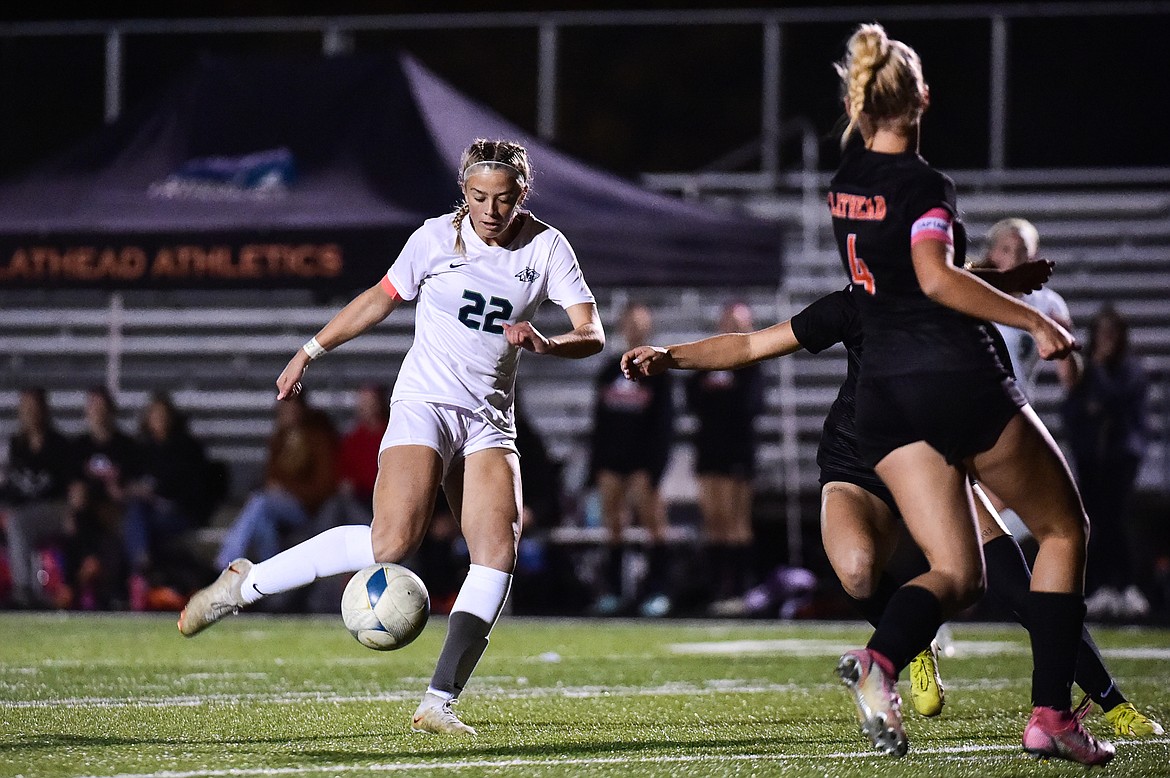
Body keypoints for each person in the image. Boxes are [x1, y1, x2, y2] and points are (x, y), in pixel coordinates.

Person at [178, 138, 604, 737]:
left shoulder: (548, 246)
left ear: (522, 196)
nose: (489, 210)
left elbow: (592, 331)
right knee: (392, 542)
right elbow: (379, 300)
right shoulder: (433, 238)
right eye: (478, 196)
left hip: (490, 418)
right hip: (424, 402)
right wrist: (309, 351)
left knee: (497, 552)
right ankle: (243, 584)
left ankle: (438, 702)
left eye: (502, 200)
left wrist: (549, 343)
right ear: (464, 191)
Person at [622, 285, 1163, 742]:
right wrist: (671, 356)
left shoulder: (954, 300)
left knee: (1019, 590)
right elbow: (754, 343)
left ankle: (1110, 700)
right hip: (859, 461)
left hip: (936, 463)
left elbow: (987, 394)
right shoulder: (857, 304)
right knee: (856, 570)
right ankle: (914, 641)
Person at [819, 23, 1108, 763]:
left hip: (880, 392)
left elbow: (902, 265)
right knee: (1063, 529)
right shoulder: (926, 183)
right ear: (921, 96)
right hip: (952, 375)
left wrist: (994, 277)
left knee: (957, 574)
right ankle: (1052, 716)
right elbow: (936, 276)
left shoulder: (845, 179)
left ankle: (880, 663)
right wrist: (1032, 319)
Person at [1062, 305, 1152, 620]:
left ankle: (1126, 585)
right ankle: (1102, 586)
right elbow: (1073, 411)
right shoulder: (1087, 372)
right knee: (1096, 523)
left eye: (1111, 334)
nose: (1106, 340)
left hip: (1120, 457)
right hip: (1092, 458)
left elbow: (1113, 400)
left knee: (1116, 519)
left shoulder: (1130, 369)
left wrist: (1097, 372)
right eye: (1101, 333)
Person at [587, 300, 675, 617]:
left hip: (643, 461)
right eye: (631, 324)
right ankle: (613, 591)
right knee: (613, 525)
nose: (636, 329)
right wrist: (594, 466)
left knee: (653, 525)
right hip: (612, 459)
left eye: (641, 324)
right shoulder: (609, 370)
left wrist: (656, 467)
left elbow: (665, 424)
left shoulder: (659, 373)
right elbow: (598, 422)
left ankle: (657, 590)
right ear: (623, 327)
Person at [685, 300, 765, 609]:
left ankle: (741, 589)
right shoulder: (708, 363)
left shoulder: (752, 365)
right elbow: (693, 398)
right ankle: (718, 588)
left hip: (738, 450)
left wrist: (718, 402)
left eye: (738, 322)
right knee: (713, 520)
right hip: (709, 448)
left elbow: (749, 406)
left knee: (736, 522)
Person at [213, 390, 341, 574]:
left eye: (291, 407)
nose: (286, 412)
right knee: (265, 524)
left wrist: (286, 490)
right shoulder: (280, 438)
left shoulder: (318, 438)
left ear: (301, 408)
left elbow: (324, 487)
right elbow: (271, 477)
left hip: (308, 509)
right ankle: (270, 578)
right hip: (278, 506)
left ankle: (224, 564)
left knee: (260, 502)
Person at [123, 391, 218, 609]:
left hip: (180, 514)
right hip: (150, 517)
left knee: (137, 519)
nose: (160, 420)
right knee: (136, 512)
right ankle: (144, 570)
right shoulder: (141, 449)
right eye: (155, 415)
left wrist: (159, 492)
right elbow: (128, 483)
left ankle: (141, 572)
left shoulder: (187, 449)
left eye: (163, 415)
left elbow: (193, 490)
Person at [969, 218, 1079, 394]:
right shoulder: (973, 295)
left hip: (1018, 402)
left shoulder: (1048, 303)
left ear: (1034, 254)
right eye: (1005, 249)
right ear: (991, 253)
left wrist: (1065, 345)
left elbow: (1070, 380)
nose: (1013, 258)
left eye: (1022, 250)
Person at [0, 387, 74, 608]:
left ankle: (24, 589)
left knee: (19, 524)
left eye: (35, 408)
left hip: (55, 508)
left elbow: (67, 486)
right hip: (25, 509)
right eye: (26, 408)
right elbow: (13, 485)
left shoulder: (58, 444)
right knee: (16, 520)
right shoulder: (17, 445)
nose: (30, 413)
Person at [69, 386, 139, 609]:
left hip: (116, 510)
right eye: (93, 408)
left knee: (115, 532)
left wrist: (120, 491)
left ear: (111, 411)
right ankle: (82, 582)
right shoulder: (80, 447)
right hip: (87, 514)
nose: (97, 413)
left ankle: (111, 590)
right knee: (79, 521)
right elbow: (73, 486)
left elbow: (132, 485)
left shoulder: (126, 446)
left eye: (102, 408)